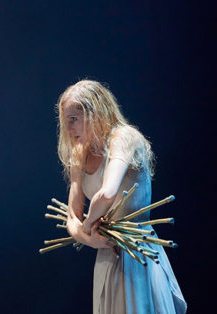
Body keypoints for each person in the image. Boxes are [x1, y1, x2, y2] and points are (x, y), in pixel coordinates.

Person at [56, 79, 187, 313]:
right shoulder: (79, 154)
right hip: (107, 253)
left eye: (74, 120)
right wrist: (90, 239)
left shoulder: (124, 138)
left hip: (135, 252)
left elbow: (107, 193)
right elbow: (71, 217)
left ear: (93, 113)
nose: (69, 129)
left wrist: (87, 227)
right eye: (66, 122)